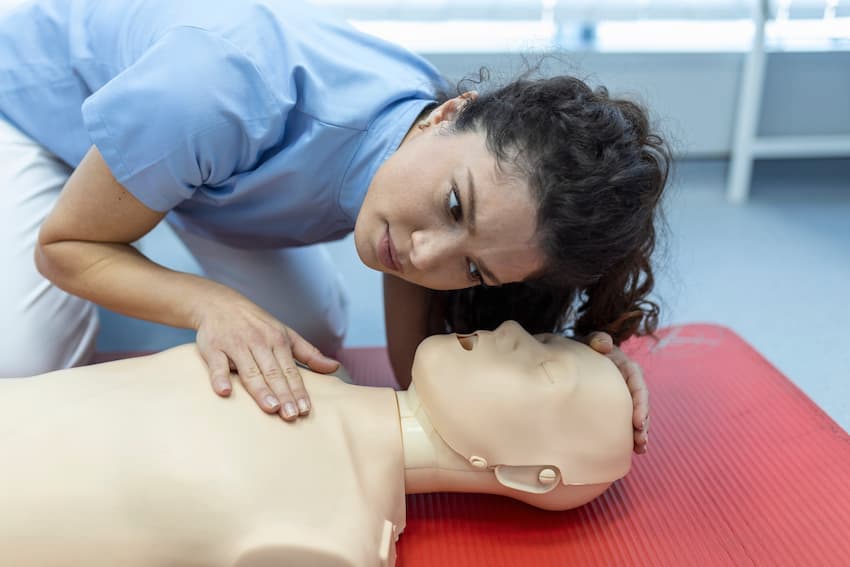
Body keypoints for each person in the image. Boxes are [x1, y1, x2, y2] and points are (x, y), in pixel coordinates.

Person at [0, 0, 662, 451]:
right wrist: (212, 306)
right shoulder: (213, 91)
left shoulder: (433, 156)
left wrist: (582, 371)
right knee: (20, 360)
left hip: (194, 161)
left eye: (472, 268)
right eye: (455, 206)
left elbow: (416, 372)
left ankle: (149, 192)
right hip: (36, 109)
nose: (422, 253)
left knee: (307, 342)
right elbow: (65, 245)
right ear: (450, 111)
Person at [0, 321, 633, 566]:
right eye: (551, 342)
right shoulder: (299, 365)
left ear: (532, 475)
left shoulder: (327, 535)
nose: (519, 331)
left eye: (547, 371)